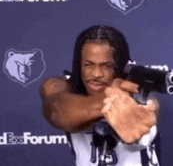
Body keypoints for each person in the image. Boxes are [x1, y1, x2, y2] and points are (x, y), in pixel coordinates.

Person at [40, 25, 160, 166]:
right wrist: (108, 100)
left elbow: (141, 131)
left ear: (120, 67)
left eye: (107, 66)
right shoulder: (62, 86)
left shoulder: (135, 92)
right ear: (79, 65)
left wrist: (136, 138)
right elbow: (56, 111)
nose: (96, 74)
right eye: (88, 65)